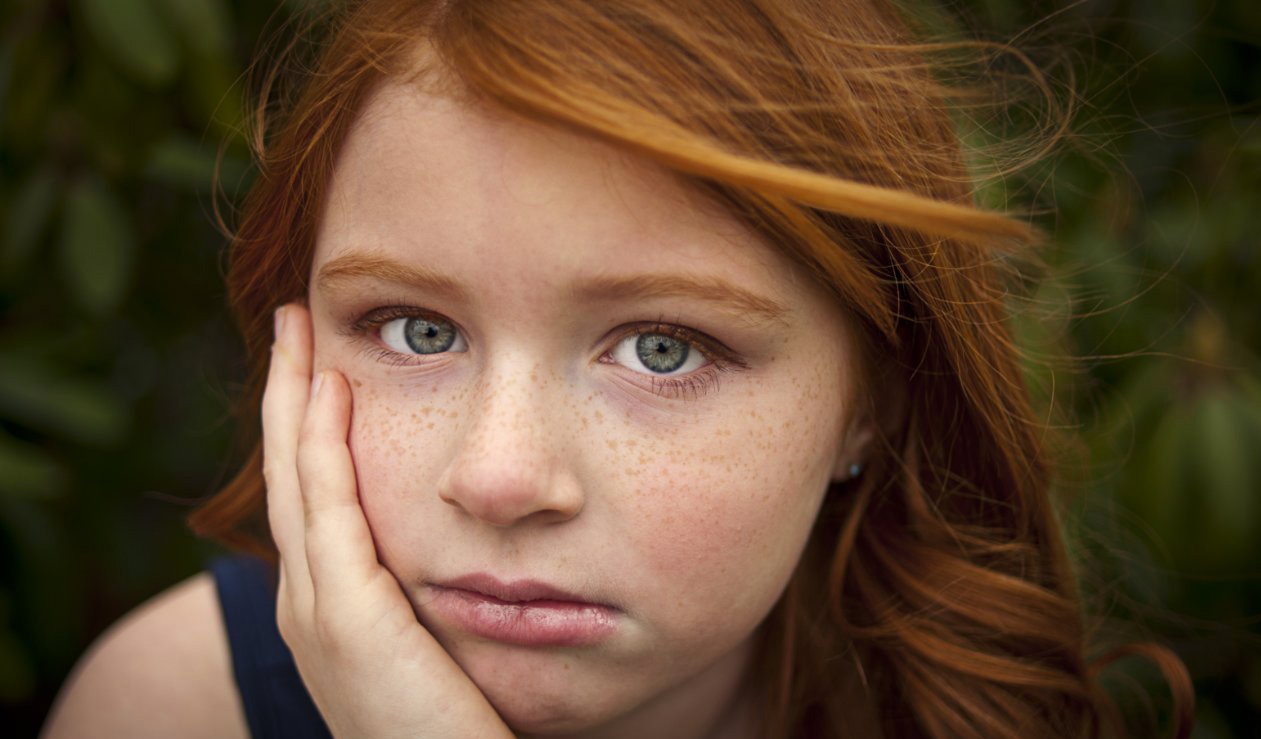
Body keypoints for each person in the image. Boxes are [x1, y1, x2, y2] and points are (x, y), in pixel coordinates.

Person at [39, 1, 1191, 737]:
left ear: (870, 405)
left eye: (662, 348)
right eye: (416, 330)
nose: (499, 477)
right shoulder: (173, 708)